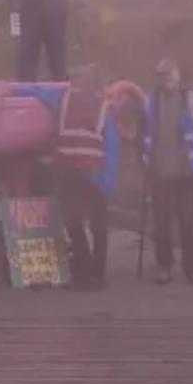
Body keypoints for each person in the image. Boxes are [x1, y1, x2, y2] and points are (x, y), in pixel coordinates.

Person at [51, 66, 120, 290]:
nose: (77, 82)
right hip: (70, 172)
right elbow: (38, 92)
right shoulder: (62, 99)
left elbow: (112, 144)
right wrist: (12, 89)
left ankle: (96, 275)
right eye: (74, 78)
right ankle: (85, 271)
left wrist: (108, 178)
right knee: (74, 223)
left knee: (97, 226)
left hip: (92, 173)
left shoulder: (102, 106)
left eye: (80, 78)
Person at [142, 57, 193, 286]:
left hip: (186, 174)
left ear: (178, 75)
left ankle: (192, 270)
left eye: (169, 74)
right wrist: (143, 160)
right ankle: (164, 267)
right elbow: (143, 134)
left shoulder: (190, 100)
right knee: (162, 225)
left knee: (188, 224)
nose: (165, 79)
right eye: (161, 75)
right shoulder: (150, 102)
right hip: (160, 173)